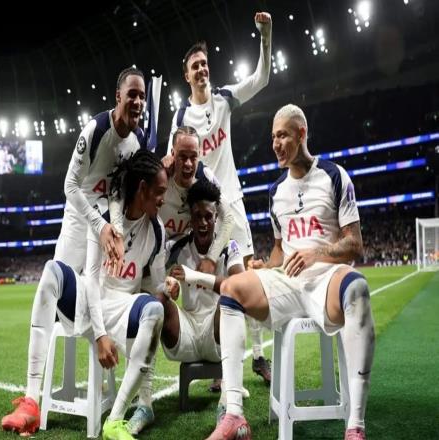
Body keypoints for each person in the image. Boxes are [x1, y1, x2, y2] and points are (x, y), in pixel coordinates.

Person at [207, 104, 375, 440]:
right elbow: (280, 249)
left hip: (327, 278)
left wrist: (317, 253)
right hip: (286, 280)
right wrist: (266, 265)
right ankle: (234, 415)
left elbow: (355, 244)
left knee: (357, 288)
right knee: (231, 288)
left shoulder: (334, 175)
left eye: (282, 135)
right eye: (273, 137)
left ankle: (355, 426)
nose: (276, 144)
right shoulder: (276, 192)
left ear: (302, 134)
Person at [0, 150, 169, 440]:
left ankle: (114, 421)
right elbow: (90, 277)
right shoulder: (104, 217)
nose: (163, 199)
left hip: (122, 307)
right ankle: (31, 402)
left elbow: (156, 285)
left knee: (156, 309)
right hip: (89, 299)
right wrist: (100, 335)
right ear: (142, 189)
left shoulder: (157, 230)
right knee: (52, 271)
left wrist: (168, 288)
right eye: (160, 192)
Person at [164, 12, 273, 380]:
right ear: (187, 75)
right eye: (195, 66)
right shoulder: (181, 115)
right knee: (206, 278)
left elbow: (261, 79)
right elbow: (171, 160)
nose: (202, 69)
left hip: (232, 204)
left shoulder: (225, 99)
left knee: (245, 274)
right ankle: (219, 364)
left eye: (204, 63)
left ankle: (258, 355)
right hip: (200, 210)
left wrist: (265, 35)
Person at [161, 178, 245, 422]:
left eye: (208, 216)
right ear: (190, 217)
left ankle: (227, 402)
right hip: (186, 332)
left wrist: (197, 277)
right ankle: (144, 403)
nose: (203, 222)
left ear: (216, 216)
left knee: (230, 296)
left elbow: (240, 286)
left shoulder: (229, 247)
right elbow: (159, 280)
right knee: (156, 303)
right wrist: (169, 286)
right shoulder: (177, 248)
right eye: (197, 216)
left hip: (218, 335)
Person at [55, 66, 146, 276]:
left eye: (142, 96)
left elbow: (120, 190)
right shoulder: (96, 130)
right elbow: (70, 185)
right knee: (61, 283)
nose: (138, 102)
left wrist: (116, 229)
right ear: (118, 96)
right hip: (80, 221)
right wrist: (99, 224)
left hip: (109, 225)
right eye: (132, 94)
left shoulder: (139, 140)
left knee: (96, 291)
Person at [159, 125, 234, 272]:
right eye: (182, 156)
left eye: (193, 157)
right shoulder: (161, 175)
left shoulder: (205, 177)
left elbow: (228, 217)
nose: (188, 164)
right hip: (156, 252)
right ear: (172, 154)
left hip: (184, 256)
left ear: (199, 155)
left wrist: (211, 258)